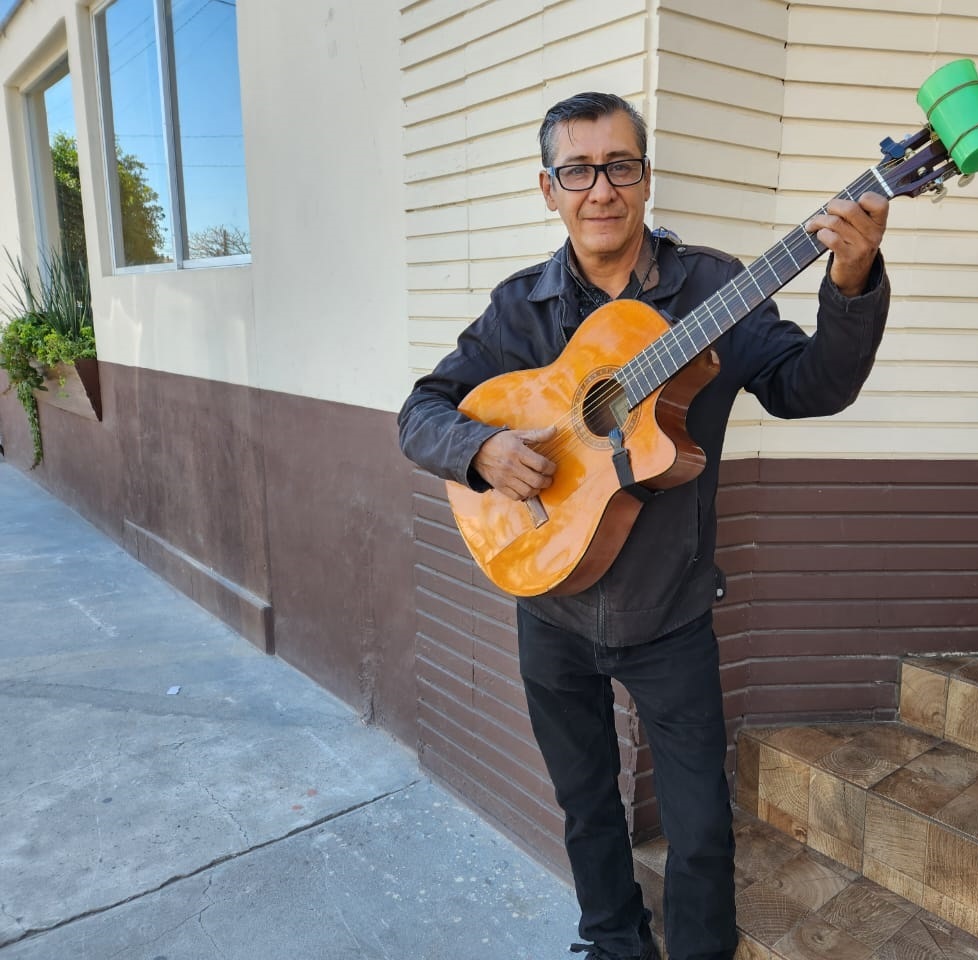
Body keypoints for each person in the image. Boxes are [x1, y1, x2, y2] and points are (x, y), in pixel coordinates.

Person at [397, 92, 891, 960]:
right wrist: (480, 451)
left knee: (699, 831)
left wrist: (850, 285)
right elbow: (421, 411)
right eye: (577, 171)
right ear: (548, 189)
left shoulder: (715, 288)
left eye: (620, 167)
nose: (601, 190)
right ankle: (613, 943)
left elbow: (808, 387)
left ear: (646, 178)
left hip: (669, 614)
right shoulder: (521, 309)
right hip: (548, 600)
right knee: (586, 806)